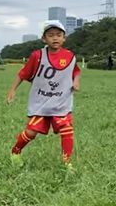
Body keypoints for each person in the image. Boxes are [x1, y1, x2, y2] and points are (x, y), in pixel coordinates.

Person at [5, 20, 81, 172]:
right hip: (41, 102)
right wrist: (12, 90)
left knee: (67, 129)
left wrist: (76, 82)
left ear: (64, 38)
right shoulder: (37, 56)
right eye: (51, 35)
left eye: (59, 35)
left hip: (61, 102)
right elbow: (23, 74)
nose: (55, 38)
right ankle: (16, 151)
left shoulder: (70, 56)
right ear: (44, 39)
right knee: (31, 132)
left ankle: (67, 163)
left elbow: (76, 71)